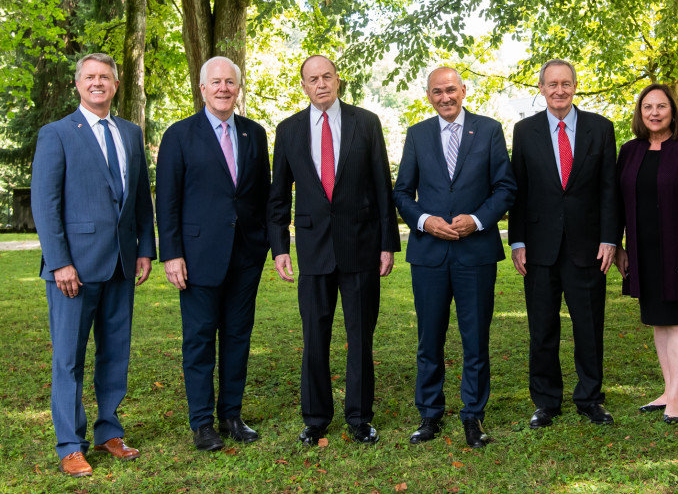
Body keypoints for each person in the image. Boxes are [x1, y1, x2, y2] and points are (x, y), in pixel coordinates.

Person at [31, 53, 155, 477]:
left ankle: (109, 431)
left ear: (116, 84)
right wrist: (60, 262)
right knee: (69, 358)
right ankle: (70, 444)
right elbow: (45, 205)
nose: (97, 82)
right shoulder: (57, 133)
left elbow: (140, 199)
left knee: (115, 353)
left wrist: (145, 249)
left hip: (121, 263)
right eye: (90, 77)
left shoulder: (130, 133)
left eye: (105, 76)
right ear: (78, 84)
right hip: (74, 271)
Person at [268, 55, 400, 446]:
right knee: (314, 336)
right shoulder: (288, 130)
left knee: (360, 336)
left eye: (327, 76)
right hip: (311, 249)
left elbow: (382, 188)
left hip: (360, 246)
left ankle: (359, 417)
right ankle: (315, 417)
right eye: (313, 79)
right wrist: (279, 247)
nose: (321, 84)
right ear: (304, 85)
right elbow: (278, 197)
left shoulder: (366, 123)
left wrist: (387, 244)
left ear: (338, 80)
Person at [392, 67, 516, 448]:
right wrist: (426, 221)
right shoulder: (417, 135)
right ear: (428, 95)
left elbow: (505, 187)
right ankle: (429, 414)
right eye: (437, 92)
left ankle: (473, 416)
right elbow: (401, 193)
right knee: (429, 339)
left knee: (475, 338)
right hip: (429, 255)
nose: (445, 97)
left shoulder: (490, 130)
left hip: (475, 253)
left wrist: (477, 220)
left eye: (451, 90)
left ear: (463, 91)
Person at [155, 56, 271, 451]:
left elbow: (262, 195)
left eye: (230, 82)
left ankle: (232, 415)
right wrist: (171, 254)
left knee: (238, 337)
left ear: (238, 89)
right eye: (216, 82)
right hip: (197, 256)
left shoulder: (254, 134)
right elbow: (167, 201)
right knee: (200, 340)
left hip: (246, 256)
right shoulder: (179, 135)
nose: (224, 88)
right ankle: (203, 422)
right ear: (202, 89)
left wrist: (269, 246)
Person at [509, 59, 618, 429]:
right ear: (541, 88)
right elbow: (518, 191)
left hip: (588, 246)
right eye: (552, 84)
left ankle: (589, 398)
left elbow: (609, 189)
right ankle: (546, 401)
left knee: (589, 325)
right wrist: (518, 240)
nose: (559, 90)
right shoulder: (524, 131)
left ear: (575, 86)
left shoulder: (600, 129)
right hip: (539, 246)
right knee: (542, 328)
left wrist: (609, 239)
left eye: (566, 83)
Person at [614, 84, 678, 425]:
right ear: (640, 114)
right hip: (644, 250)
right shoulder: (629, 151)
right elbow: (619, 204)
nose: (654, 112)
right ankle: (668, 389)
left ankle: (676, 396)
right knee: (658, 320)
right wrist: (620, 247)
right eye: (648, 107)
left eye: (661, 106)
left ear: (673, 111)